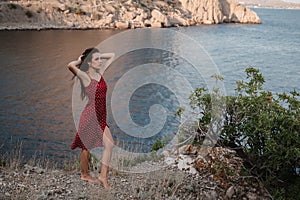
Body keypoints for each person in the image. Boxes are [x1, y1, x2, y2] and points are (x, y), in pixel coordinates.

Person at [67, 47, 115, 189]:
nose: (100, 61)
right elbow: (70, 65)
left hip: (101, 116)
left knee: (110, 144)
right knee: (85, 147)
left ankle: (103, 177)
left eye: (100, 59)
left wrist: (98, 55)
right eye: (96, 59)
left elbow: (112, 54)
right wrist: (82, 58)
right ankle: (84, 174)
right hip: (90, 116)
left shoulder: (101, 72)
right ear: (89, 62)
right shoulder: (85, 76)